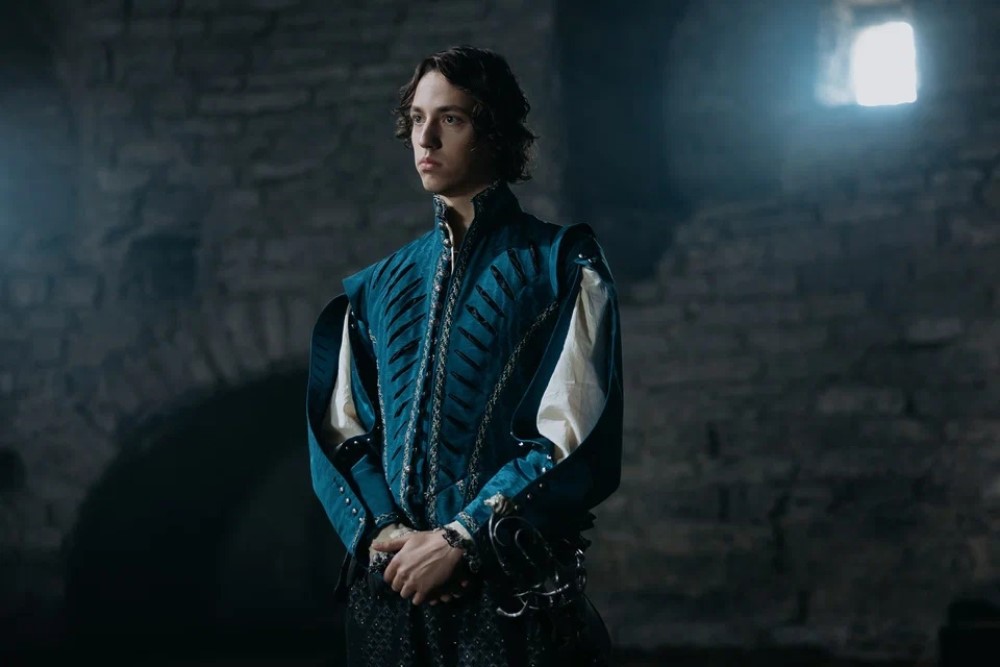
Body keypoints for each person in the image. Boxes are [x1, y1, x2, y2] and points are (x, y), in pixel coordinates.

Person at [305, 45, 623, 666]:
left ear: (493, 131)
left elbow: (573, 432)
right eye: (416, 119)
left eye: (450, 119)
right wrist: (388, 533)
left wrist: (461, 538)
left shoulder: (560, 265)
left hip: (510, 599)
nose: (425, 139)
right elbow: (343, 434)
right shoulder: (376, 288)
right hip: (392, 595)